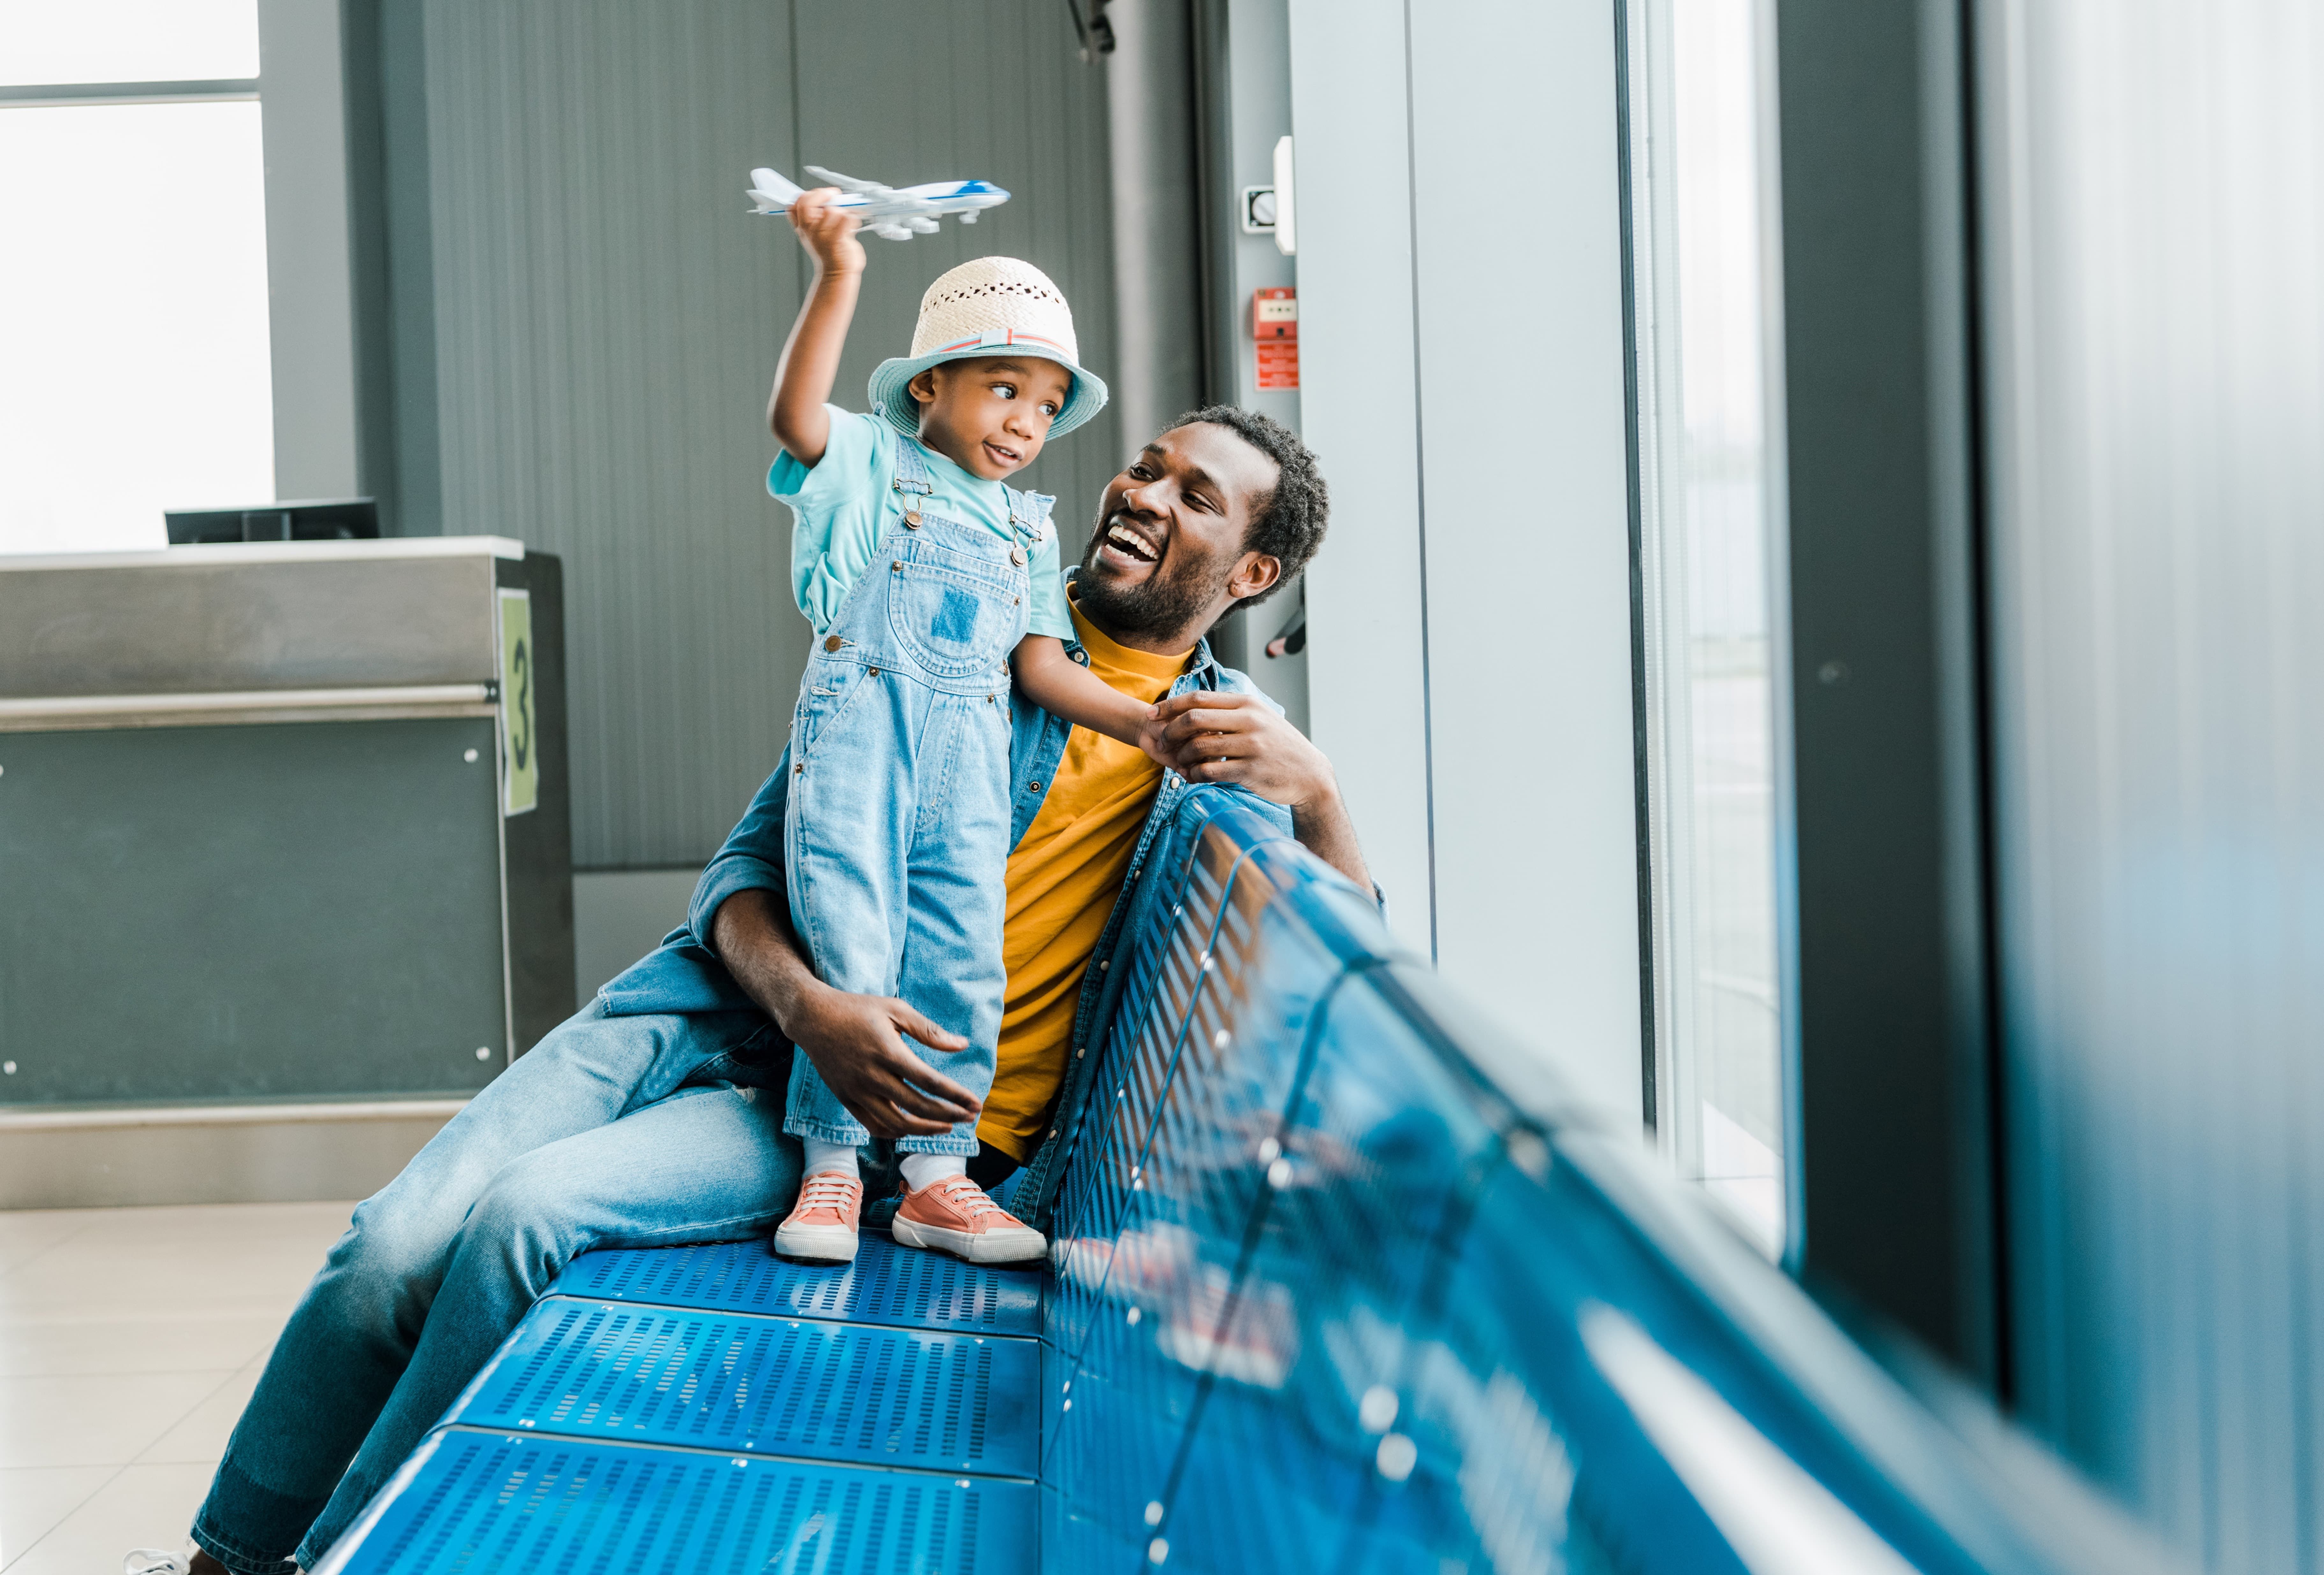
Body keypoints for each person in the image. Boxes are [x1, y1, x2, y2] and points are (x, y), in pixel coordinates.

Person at [133, 404, 1366, 1575]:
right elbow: (738, 873)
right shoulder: (948, 626)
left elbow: (1343, 977)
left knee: (525, 1219)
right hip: (720, 1020)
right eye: (1145, 466)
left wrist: (1321, 797)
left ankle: (345, 1552)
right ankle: (227, 1559)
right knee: (387, 1248)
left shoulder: (1228, 746)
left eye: (1194, 496)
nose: (1141, 494)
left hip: (877, 1132)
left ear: (1252, 574)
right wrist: (810, 1009)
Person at [763, 190, 1157, 1267]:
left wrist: (1146, 724)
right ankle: (834, 1171)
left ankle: (936, 1176)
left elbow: (1036, 662)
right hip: (861, 742)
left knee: (959, 952)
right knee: (850, 938)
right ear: (928, 387)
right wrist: (839, 274)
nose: (1025, 423)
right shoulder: (869, 471)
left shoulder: (1029, 526)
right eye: (1001, 390)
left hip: (973, 764)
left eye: (1044, 405)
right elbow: (797, 419)